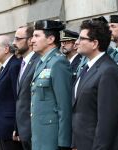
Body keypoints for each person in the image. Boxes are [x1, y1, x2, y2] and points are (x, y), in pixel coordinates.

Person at [72, 19, 118, 150]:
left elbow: (107, 120)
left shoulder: (108, 71)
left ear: (94, 43)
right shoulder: (88, 67)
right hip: (84, 143)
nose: (77, 42)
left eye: (81, 39)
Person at [31, 20, 72, 150]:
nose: (32, 40)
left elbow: (64, 105)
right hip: (40, 135)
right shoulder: (42, 62)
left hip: (52, 137)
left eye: (37, 36)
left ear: (50, 39)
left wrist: (64, 142)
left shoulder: (58, 63)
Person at [12, 25, 39, 150]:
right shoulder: (22, 62)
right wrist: (17, 128)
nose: (14, 43)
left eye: (18, 39)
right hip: (24, 131)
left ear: (29, 41)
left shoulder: (38, 62)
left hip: (35, 131)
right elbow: (20, 98)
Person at [0, 35, 22, 150]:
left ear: (6, 49)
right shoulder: (3, 67)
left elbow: (18, 98)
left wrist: (17, 127)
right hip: (2, 127)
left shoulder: (14, 66)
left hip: (11, 129)